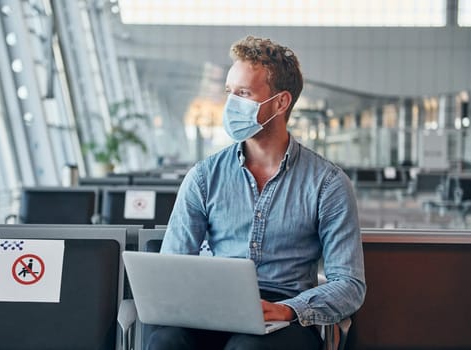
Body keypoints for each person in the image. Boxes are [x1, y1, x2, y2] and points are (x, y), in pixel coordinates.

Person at [149, 36, 366, 350]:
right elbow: (171, 267)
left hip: (284, 315)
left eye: (244, 93)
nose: (231, 104)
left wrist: (289, 309)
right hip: (212, 307)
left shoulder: (327, 184)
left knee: (248, 348)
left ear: (280, 103)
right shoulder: (204, 177)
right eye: (229, 92)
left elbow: (349, 284)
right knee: (165, 343)